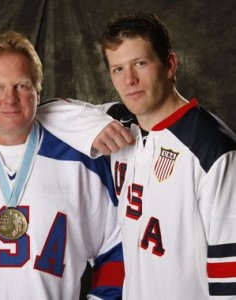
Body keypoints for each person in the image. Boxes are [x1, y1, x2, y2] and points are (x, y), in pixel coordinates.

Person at [37, 12, 236, 299]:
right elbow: (45, 110)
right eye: (118, 69)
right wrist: (94, 126)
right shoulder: (120, 124)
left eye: (139, 64)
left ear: (169, 65)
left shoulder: (214, 150)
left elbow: (230, 276)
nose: (129, 80)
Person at [0, 31, 125, 299]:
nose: (10, 99)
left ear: (38, 92)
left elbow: (118, 246)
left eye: (22, 85)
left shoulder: (81, 163)